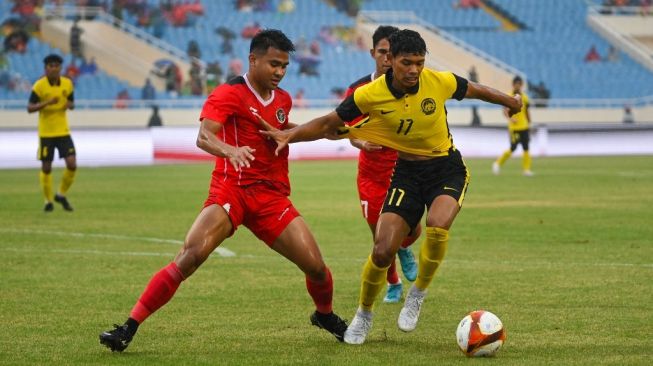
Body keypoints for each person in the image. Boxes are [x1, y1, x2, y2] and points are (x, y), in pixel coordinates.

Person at [259, 29, 521, 344]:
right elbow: (330, 123)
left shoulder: (438, 81)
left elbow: (475, 90)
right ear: (390, 60)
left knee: (438, 224)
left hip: (446, 168)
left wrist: (510, 101)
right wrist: (291, 134)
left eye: (420, 62)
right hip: (407, 173)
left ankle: (418, 293)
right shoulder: (369, 95)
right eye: (407, 62)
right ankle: (364, 314)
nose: (414, 70)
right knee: (383, 250)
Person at [99, 29, 348, 353]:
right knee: (191, 255)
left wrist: (332, 133)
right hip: (232, 190)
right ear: (253, 59)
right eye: (274, 64)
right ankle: (127, 328)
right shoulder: (229, 93)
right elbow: (204, 136)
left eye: (285, 66)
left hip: (271, 197)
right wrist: (229, 151)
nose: (279, 72)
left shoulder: (282, 99)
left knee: (316, 266)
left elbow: (286, 130)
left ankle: (324, 315)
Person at [341, 25, 420, 304]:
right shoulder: (358, 90)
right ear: (373, 52)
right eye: (383, 52)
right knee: (380, 238)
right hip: (371, 175)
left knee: (412, 230)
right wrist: (361, 142)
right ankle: (394, 283)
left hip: (403, 171)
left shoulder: (411, 87)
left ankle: (405, 248)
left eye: (391, 53)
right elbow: (346, 129)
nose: (387, 58)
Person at [27, 54, 77, 212]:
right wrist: (47, 103)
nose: (54, 68)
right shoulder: (39, 86)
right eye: (51, 65)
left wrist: (69, 105)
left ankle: (61, 194)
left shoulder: (68, 84)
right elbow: (29, 108)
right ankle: (48, 201)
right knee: (47, 168)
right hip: (46, 133)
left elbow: (72, 102)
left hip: (63, 131)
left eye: (57, 65)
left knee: (72, 164)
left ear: (61, 68)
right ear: (46, 68)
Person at [492, 76, 534, 176]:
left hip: (524, 126)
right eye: (516, 84)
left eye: (519, 84)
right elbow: (504, 111)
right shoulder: (509, 97)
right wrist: (511, 119)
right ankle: (497, 163)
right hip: (514, 128)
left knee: (526, 147)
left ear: (521, 85)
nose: (518, 86)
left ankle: (526, 170)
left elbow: (527, 112)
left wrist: (529, 123)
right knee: (513, 148)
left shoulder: (525, 98)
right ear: (513, 85)